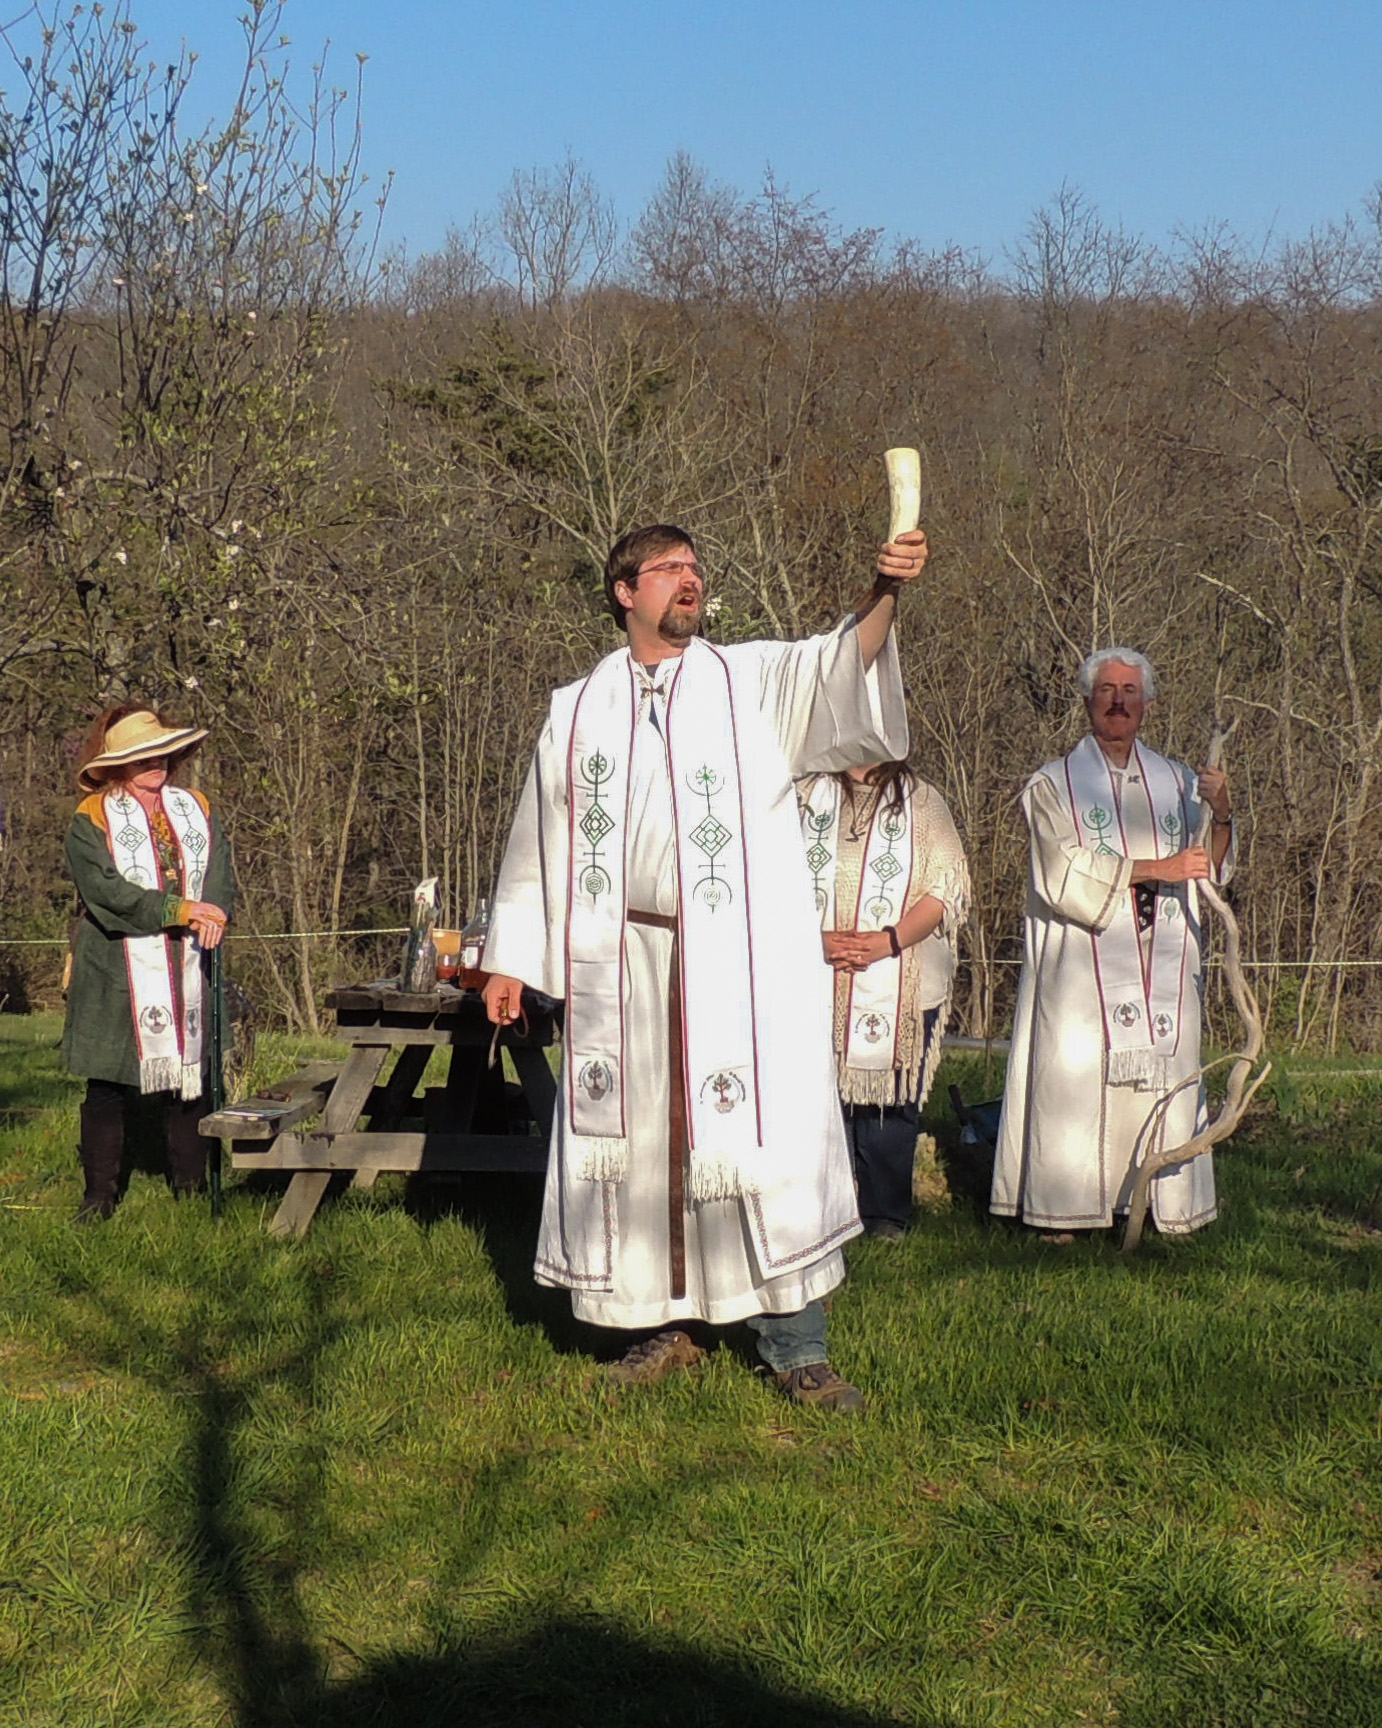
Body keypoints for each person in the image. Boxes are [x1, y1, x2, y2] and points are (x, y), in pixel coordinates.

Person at [481, 522, 926, 1410]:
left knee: (762, 1144)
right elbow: (541, 836)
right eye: (669, 569)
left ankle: (798, 1348)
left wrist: (885, 588)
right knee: (647, 1150)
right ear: (624, 591)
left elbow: (842, 661)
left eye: (695, 568)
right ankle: (664, 1324)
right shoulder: (576, 710)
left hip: (744, 965)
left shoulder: (747, 681)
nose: (690, 581)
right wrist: (510, 961)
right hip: (627, 967)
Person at [990, 650, 1234, 1239]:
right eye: (1107, 690)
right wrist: (1158, 865)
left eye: (1130, 690)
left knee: (1161, 1082)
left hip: (1164, 964)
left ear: (1148, 703)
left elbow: (1210, 867)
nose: (1119, 700)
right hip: (1080, 965)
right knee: (1077, 1081)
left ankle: (1156, 1203)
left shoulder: (1179, 783)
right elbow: (1063, 871)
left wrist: (1222, 810)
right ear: (1088, 701)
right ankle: (1067, 1209)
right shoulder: (1052, 785)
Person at [61, 706, 235, 1220]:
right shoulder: (90, 818)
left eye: (160, 753)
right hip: (115, 964)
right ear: (118, 764)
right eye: (141, 756)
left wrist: (215, 912)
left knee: (189, 1078)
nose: (155, 763)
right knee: (108, 1084)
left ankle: (191, 1187)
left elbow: (220, 871)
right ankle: (100, 1196)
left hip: (187, 961)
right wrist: (177, 909)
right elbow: (105, 892)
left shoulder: (196, 808)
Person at [797, 759, 970, 1239]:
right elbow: (769, 881)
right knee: (817, 1099)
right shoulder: (804, 796)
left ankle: (883, 1214)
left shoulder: (923, 800)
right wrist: (818, 940)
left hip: (903, 969)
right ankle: (822, 1213)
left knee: (889, 1104)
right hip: (816, 968)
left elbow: (944, 888)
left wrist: (888, 941)